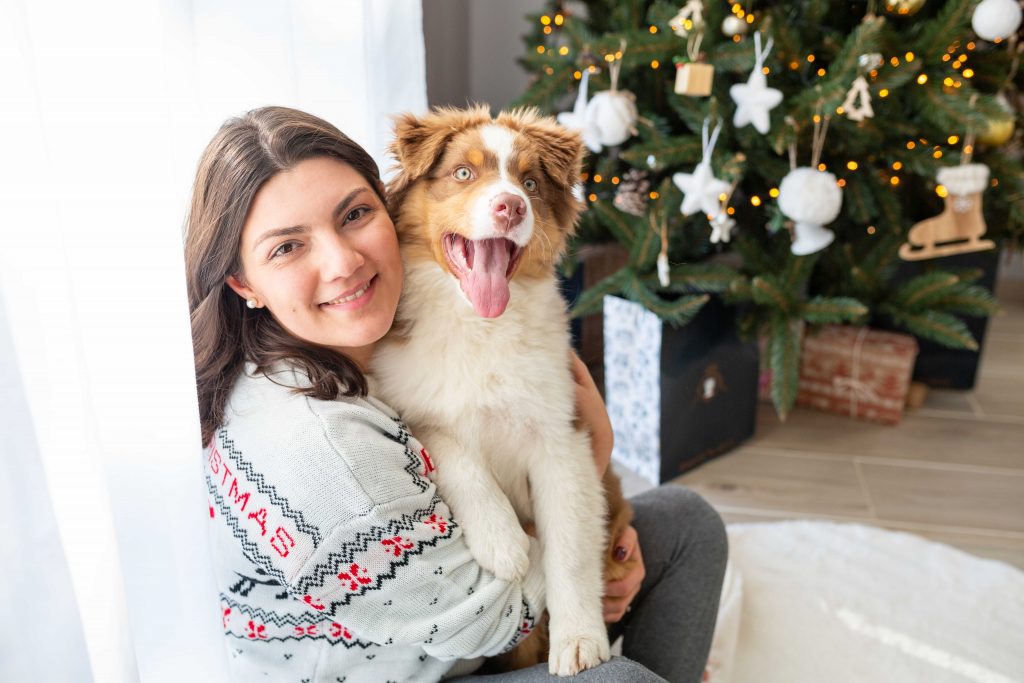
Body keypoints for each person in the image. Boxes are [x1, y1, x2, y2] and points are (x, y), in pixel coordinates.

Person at [184, 105, 727, 683]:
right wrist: (591, 475)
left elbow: (443, 428)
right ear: (242, 282)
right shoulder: (318, 450)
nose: (342, 262)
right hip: (430, 659)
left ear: (389, 201)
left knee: (689, 523)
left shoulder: (360, 349)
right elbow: (488, 622)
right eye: (287, 247)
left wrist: (600, 538)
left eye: (356, 213)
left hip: (453, 629)